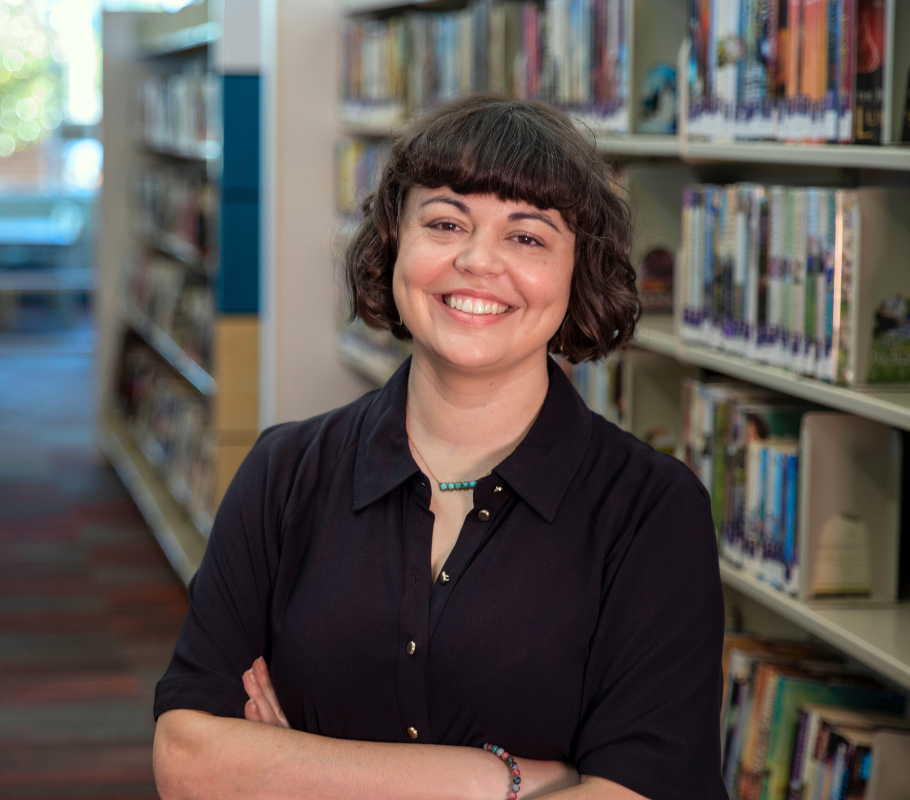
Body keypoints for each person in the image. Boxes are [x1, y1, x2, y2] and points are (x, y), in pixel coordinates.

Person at [151, 97, 726, 800]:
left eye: (528, 237)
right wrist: (504, 780)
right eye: (446, 223)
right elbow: (187, 761)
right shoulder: (283, 474)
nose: (477, 261)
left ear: (580, 272)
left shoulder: (651, 513)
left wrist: (286, 765)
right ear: (395, 244)